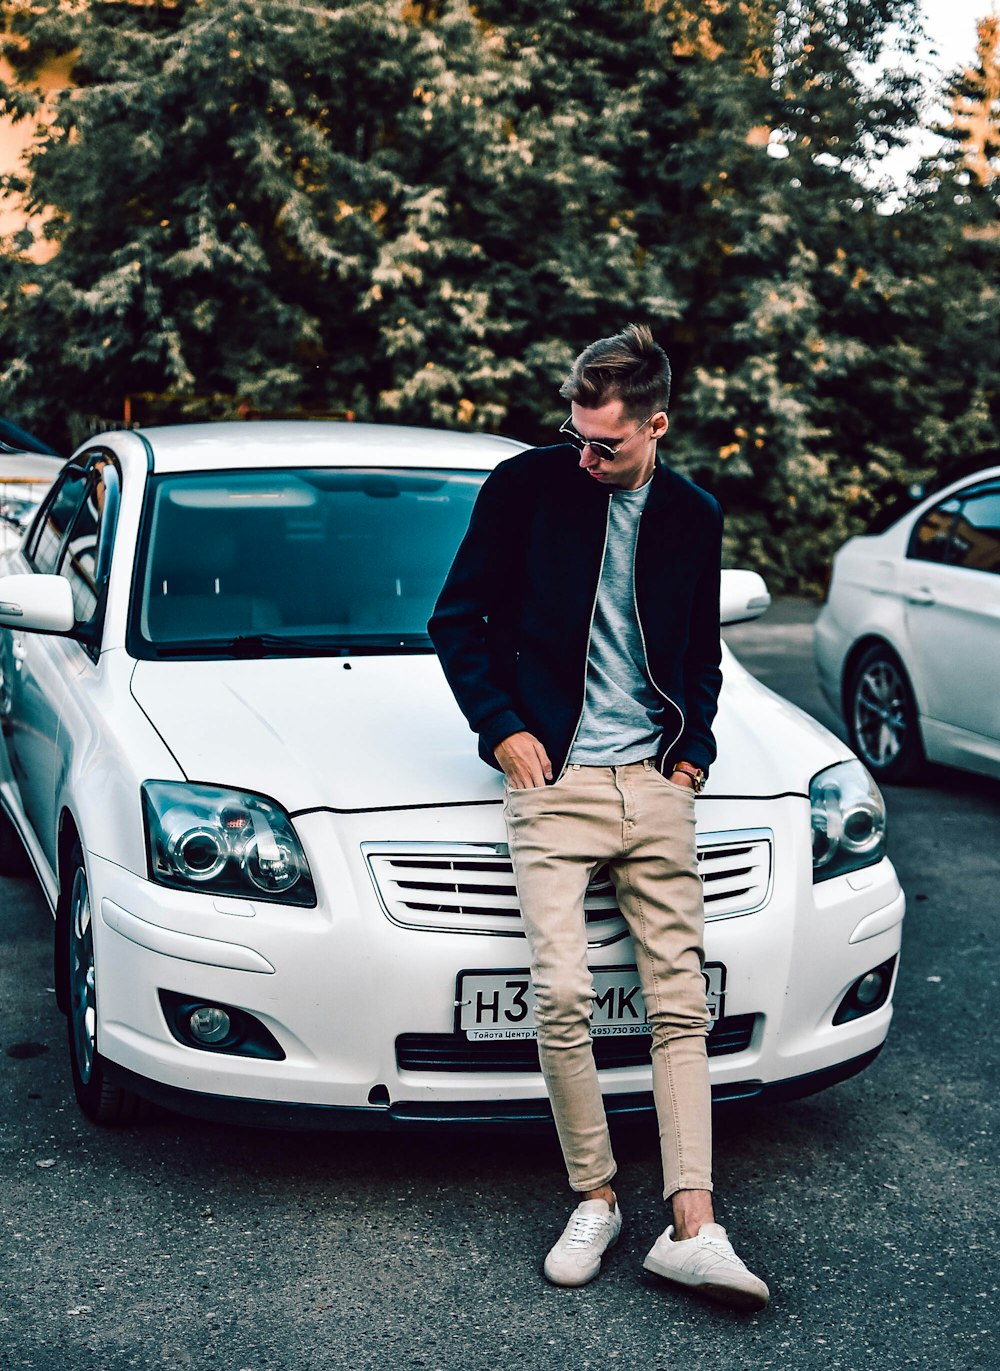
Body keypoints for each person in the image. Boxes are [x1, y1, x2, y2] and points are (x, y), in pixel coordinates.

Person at [427, 324, 768, 1311]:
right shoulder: (526, 487)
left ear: (656, 425)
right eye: (573, 432)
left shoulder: (693, 513)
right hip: (553, 781)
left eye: (605, 442)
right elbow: (457, 620)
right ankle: (597, 1196)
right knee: (562, 995)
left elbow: (696, 649)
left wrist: (692, 748)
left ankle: (695, 1227)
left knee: (679, 1005)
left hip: (654, 786)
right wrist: (502, 732)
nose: (584, 454)